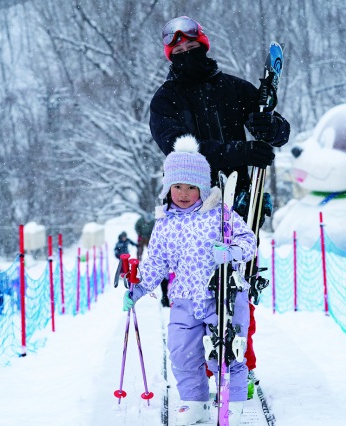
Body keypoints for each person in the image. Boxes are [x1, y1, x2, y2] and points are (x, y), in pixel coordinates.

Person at [150, 15, 291, 404]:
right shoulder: (167, 100)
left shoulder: (232, 88)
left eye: (191, 48)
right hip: (191, 204)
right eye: (177, 51)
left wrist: (268, 124)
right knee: (197, 290)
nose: (185, 54)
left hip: (243, 199)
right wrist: (238, 151)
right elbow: (178, 146)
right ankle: (194, 375)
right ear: (169, 56)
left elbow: (280, 131)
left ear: (204, 45)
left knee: (238, 283)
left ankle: (240, 363)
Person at [122, 136, 257, 426]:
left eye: (192, 187)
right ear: (168, 188)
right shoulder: (165, 223)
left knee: (226, 350)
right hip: (184, 299)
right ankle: (195, 403)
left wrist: (232, 251)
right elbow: (156, 262)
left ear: (203, 188)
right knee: (181, 351)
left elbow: (250, 241)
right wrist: (140, 287)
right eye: (177, 186)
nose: (183, 193)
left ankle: (232, 402)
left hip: (223, 296)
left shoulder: (219, 215)